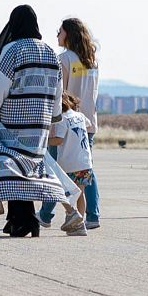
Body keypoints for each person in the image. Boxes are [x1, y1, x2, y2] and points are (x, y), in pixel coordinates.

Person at [0, 5, 67, 237]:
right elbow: (58, 92)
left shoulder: (12, 51)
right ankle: (21, 219)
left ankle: (23, 220)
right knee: (28, 168)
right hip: (39, 124)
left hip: (13, 122)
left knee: (10, 167)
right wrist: (53, 118)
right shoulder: (51, 52)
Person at [37, 17, 102, 229]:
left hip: (65, 121)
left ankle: (46, 214)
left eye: (60, 31)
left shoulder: (63, 59)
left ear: (69, 34)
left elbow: (59, 94)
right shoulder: (91, 61)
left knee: (56, 170)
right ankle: (92, 215)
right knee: (85, 169)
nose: (57, 35)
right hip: (87, 122)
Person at [47, 92, 93, 236]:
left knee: (59, 192)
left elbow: (58, 140)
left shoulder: (62, 119)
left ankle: (73, 215)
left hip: (69, 163)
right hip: (85, 162)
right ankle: (80, 224)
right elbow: (89, 124)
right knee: (80, 194)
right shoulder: (79, 116)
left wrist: (44, 140)